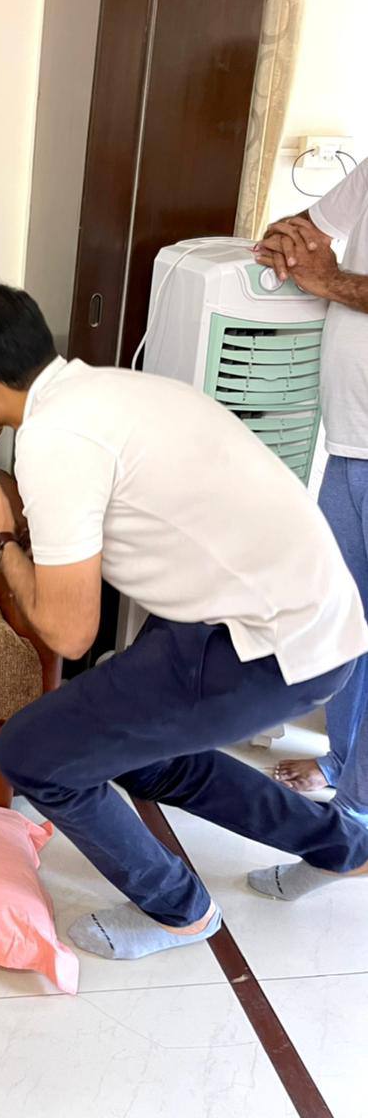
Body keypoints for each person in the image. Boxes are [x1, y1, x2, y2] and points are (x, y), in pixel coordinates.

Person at [0, 282, 368, 961]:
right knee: (147, 756)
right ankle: (342, 847)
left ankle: (178, 910)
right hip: (313, 620)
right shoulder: (115, 389)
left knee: (32, 756)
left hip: (267, 648)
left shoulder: (54, 439)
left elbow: (69, 632)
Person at [253, 160, 368, 830]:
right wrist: (288, 244)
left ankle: (357, 817)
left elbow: (325, 271)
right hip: (349, 439)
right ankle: (344, 762)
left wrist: (330, 280)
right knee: (344, 623)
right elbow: (301, 230)